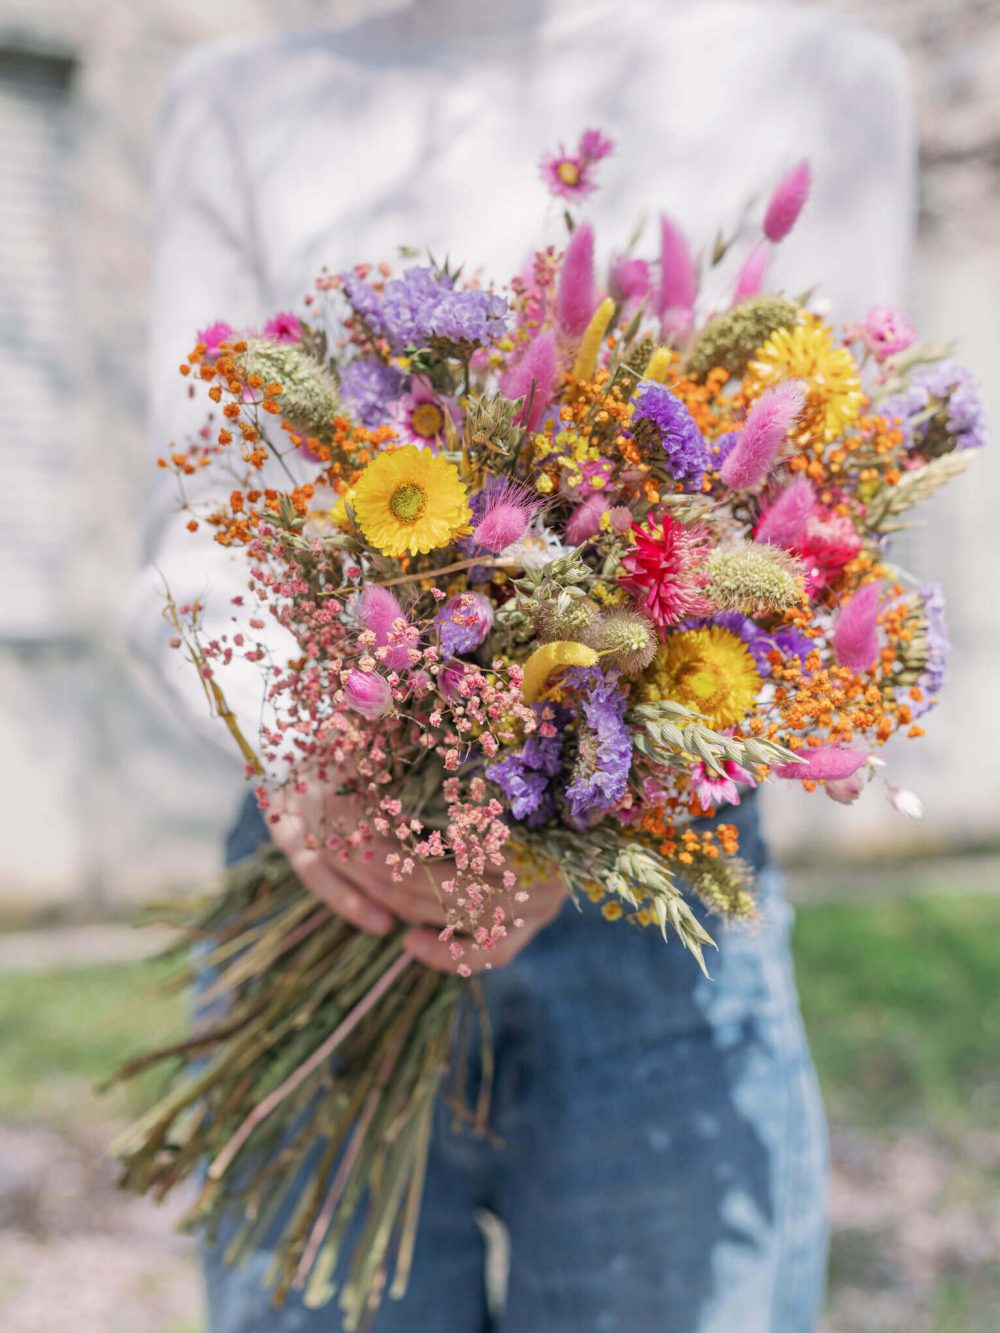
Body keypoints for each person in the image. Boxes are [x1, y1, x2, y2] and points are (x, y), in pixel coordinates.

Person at [135, 2, 915, 1328]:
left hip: (662, 920)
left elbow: (826, 531)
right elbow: (188, 548)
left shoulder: (820, 81)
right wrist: (334, 776)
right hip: (330, 875)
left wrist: (565, 819)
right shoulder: (239, 102)